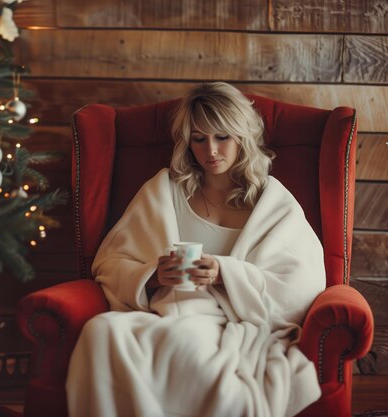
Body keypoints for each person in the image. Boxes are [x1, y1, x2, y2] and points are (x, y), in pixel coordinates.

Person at [65, 82, 326, 417]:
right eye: (199, 139)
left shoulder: (272, 203)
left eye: (222, 137)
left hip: (227, 321)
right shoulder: (164, 191)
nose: (210, 150)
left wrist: (224, 274)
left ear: (241, 137)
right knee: (101, 330)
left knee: (184, 344)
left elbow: (300, 284)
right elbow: (110, 263)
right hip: (162, 312)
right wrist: (152, 277)